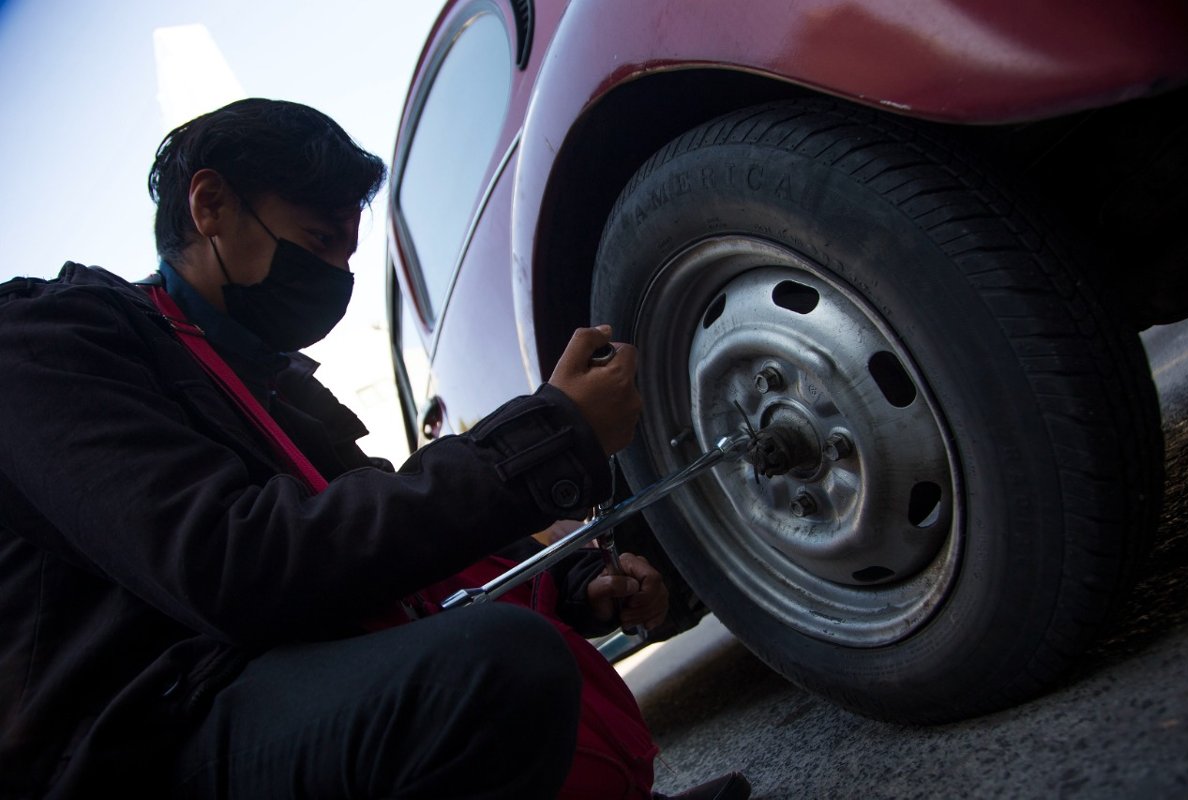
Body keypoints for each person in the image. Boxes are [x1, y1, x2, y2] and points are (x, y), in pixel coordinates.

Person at [0, 98, 751, 799]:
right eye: (317, 241)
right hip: (148, 739)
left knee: (517, 647)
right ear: (211, 206)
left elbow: (386, 536)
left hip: (265, 682)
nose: (334, 276)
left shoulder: (278, 384)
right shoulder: (47, 347)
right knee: (493, 671)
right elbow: (238, 563)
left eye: (347, 253)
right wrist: (547, 433)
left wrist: (574, 579)